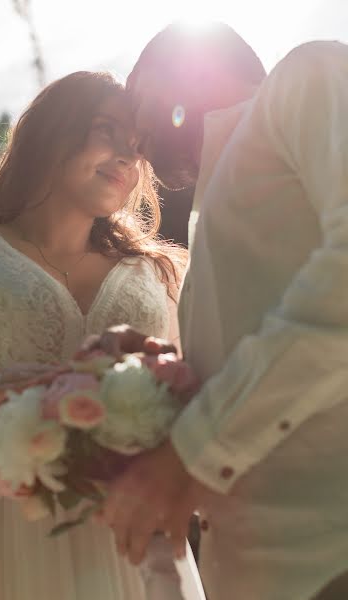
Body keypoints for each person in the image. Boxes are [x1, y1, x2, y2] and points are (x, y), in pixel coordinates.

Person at [93, 23, 348, 600]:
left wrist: (192, 451)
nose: (134, 139)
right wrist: (159, 376)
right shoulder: (205, 213)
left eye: (137, 102)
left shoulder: (307, 75)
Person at [0, 70, 206, 600]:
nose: (126, 156)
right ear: (50, 132)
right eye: (105, 129)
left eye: (138, 146)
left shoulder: (164, 273)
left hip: (134, 538)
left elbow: (205, 398)